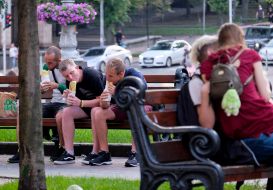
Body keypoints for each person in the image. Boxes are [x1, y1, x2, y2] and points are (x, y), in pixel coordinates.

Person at [200, 23, 273, 165]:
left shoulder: (209, 64)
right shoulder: (250, 55)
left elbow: (209, 93)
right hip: (260, 126)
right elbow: (265, 95)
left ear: (220, 41)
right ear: (241, 38)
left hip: (236, 131)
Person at [81, 58, 151, 167]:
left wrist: (117, 91)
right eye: (107, 75)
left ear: (121, 73)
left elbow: (139, 98)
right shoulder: (107, 80)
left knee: (136, 110)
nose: (107, 78)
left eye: (111, 76)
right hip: (121, 107)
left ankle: (135, 153)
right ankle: (104, 153)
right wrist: (104, 101)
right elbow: (106, 105)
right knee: (96, 111)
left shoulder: (134, 76)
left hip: (140, 105)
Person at [8, 46, 68, 163]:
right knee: (26, 112)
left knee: (59, 115)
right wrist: (41, 89)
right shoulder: (46, 68)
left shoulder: (67, 68)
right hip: (53, 102)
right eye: (46, 62)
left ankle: (60, 148)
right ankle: (22, 150)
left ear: (59, 61)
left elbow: (73, 88)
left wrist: (57, 86)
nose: (47, 65)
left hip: (65, 104)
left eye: (50, 63)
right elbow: (43, 85)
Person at [53, 59, 104, 165]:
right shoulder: (69, 82)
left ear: (77, 68)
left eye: (71, 73)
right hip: (86, 108)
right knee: (66, 112)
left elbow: (101, 101)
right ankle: (69, 153)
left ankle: (95, 152)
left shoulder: (91, 75)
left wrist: (80, 103)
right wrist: (68, 98)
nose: (70, 78)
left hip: (101, 108)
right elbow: (74, 103)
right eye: (66, 76)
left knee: (95, 111)